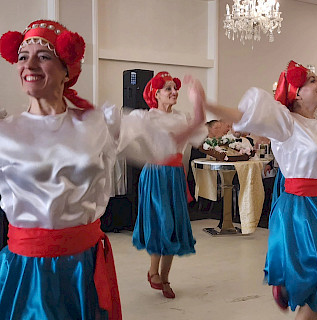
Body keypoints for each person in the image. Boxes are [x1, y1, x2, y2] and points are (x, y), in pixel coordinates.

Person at [0, 21, 205, 320]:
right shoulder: (6, 132)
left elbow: (167, 141)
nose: (29, 64)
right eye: (22, 56)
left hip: (82, 266)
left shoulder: (98, 124)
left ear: (67, 69)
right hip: (24, 269)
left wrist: (199, 110)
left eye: (42, 56)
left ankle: (161, 273)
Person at [185, 61, 317, 320]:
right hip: (302, 208)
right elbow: (243, 115)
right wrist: (206, 103)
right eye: (312, 80)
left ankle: (289, 284)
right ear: (297, 93)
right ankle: (289, 283)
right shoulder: (285, 122)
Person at [132, 72, 207, 299]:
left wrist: (199, 101)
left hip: (174, 175)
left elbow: (198, 132)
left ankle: (164, 277)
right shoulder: (147, 118)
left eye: (175, 88)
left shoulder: (181, 118)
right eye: (168, 88)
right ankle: (153, 271)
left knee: (173, 225)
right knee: (160, 222)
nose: (174, 92)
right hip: (155, 174)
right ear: (156, 94)